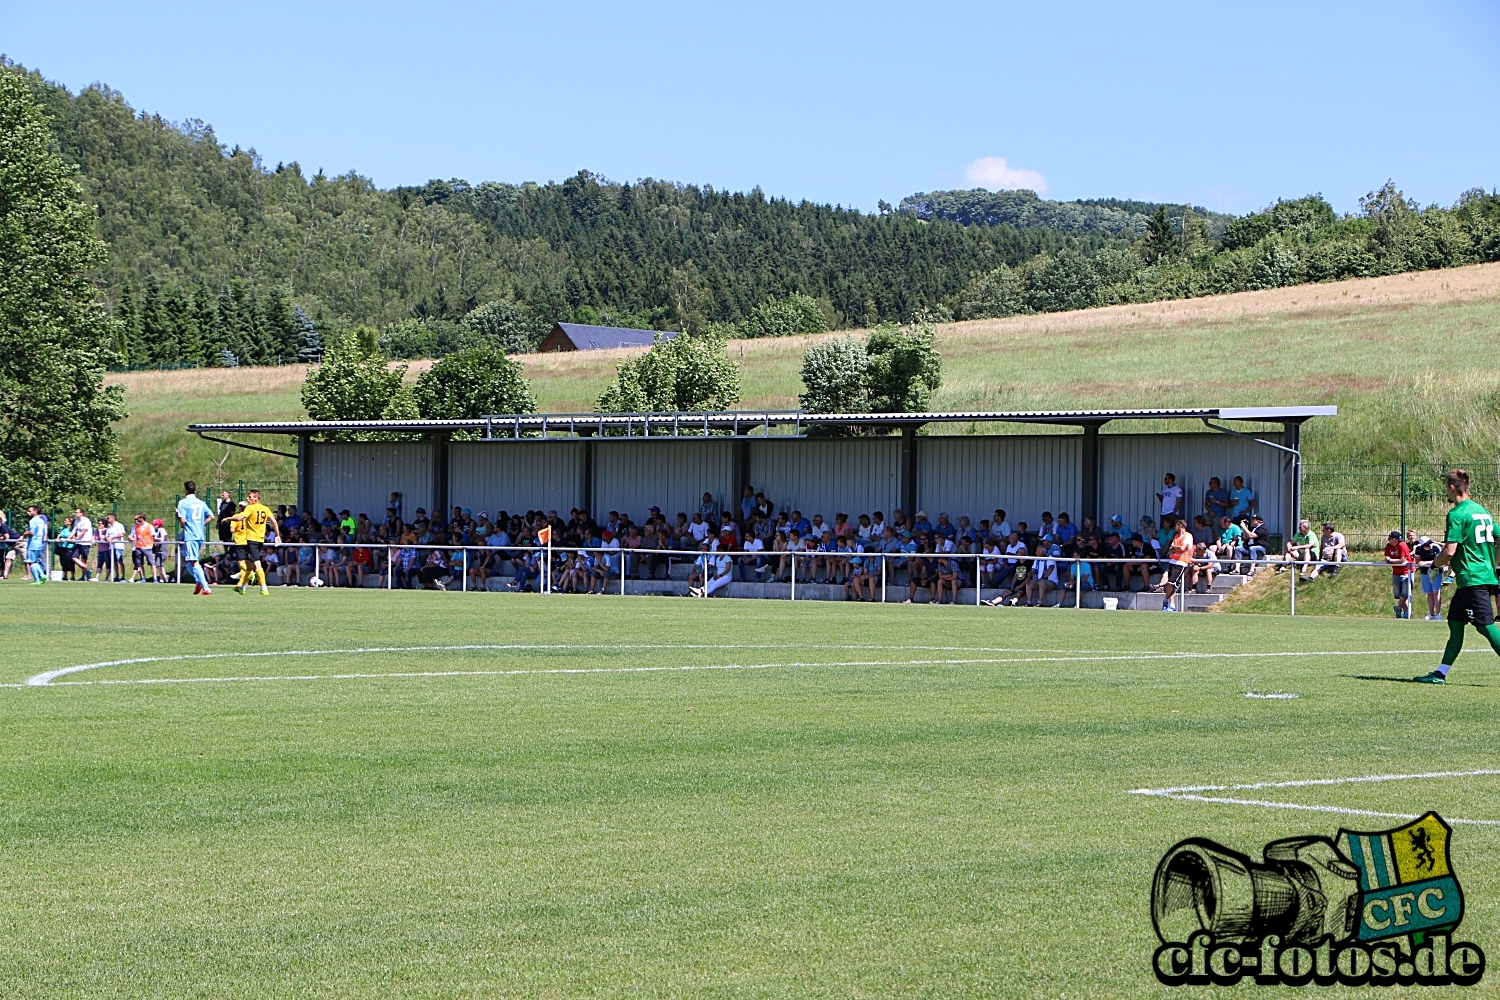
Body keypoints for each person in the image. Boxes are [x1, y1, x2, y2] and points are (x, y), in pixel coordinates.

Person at [1416, 469, 1500, 684]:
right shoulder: (1482, 511)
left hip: (1473, 579)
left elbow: (1449, 551)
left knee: (1486, 627)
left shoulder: (1457, 513)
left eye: (1446, 488)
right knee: (1455, 623)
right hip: (1475, 578)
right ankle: (1440, 673)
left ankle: (1440, 674)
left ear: (1452, 488)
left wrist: (1434, 566)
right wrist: (1493, 561)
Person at [229, 489, 278, 595]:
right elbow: (274, 522)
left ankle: (264, 587)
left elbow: (240, 518)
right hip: (260, 540)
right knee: (249, 566)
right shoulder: (266, 508)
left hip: (252, 541)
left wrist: (228, 518)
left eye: (250, 497)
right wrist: (278, 535)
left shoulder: (250, 508)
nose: (248, 499)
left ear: (256, 498)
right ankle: (242, 587)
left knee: (257, 564)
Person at [176, 481, 215, 595]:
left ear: (185, 490)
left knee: (193, 562)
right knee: (188, 562)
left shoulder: (183, 502)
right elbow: (211, 516)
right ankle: (199, 581)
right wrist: (201, 524)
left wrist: (177, 516)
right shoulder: (201, 503)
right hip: (199, 534)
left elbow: (183, 521)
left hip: (190, 535)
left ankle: (206, 587)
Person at [1161, 517, 1195, 611]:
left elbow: (1182, 548)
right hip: (1173, 561)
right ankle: (1171, 605)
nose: (1175, 527)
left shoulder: (1188, 536)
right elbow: (1171, 549)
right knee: (1171, 583)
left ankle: (1166, 601)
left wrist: (1175, 548)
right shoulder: (1176, 536)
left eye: (1176, 525)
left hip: (1181, 563)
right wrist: (1176, 548)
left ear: (1180, 526)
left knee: (1172, 583)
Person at [1413, 533, 1446, 620]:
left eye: (1430, 543)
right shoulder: (1418, 549)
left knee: (1436, 592)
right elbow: (1417, 560)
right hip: (1424, 573)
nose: (1430, 546)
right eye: (1427, 545)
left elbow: (1438, 560)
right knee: (1429, 593)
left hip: (1436, 572)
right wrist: (1420, 563)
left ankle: (1438, 614)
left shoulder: (1436, 547)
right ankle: (1431, 614)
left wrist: (1425, 563)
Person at [1384, 529, 1414, 619]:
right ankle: (1405, 612)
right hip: (1396, 573)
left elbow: (1402, 560)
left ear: (1394, 539)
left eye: (1390, 538)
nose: (1388, 540)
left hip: (1406, 572)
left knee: (1405, 594)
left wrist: (1390, 560)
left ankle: (1398, 608)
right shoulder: (1389, 546)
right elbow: (1386, 556)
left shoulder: (1402, 545)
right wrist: (1388, 559)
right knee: (1399, 595)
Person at [21, 505, 49, 584]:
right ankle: (39, 578)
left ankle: (40, 576)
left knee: (31, 562)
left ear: (35, 512)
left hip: (33, 543)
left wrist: (25, 534)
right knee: (34, 561)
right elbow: (44, 532)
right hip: (39, 543)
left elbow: (32, 533)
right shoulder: (41, 521)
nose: (28, 512)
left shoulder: (33, 521)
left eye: (30, 511)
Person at [71, 508, 93, 581]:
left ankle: (83, 576)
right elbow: (74, 530)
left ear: (81, 513)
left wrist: (76, 538)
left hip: (85, 542)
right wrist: (69, 537)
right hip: (78, 543)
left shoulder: (86, 520)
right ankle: (87, 571)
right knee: (73, 557)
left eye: (76, 512)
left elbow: (83, 531)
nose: (75, 513)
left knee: (84, 560)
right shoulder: (77, 521)